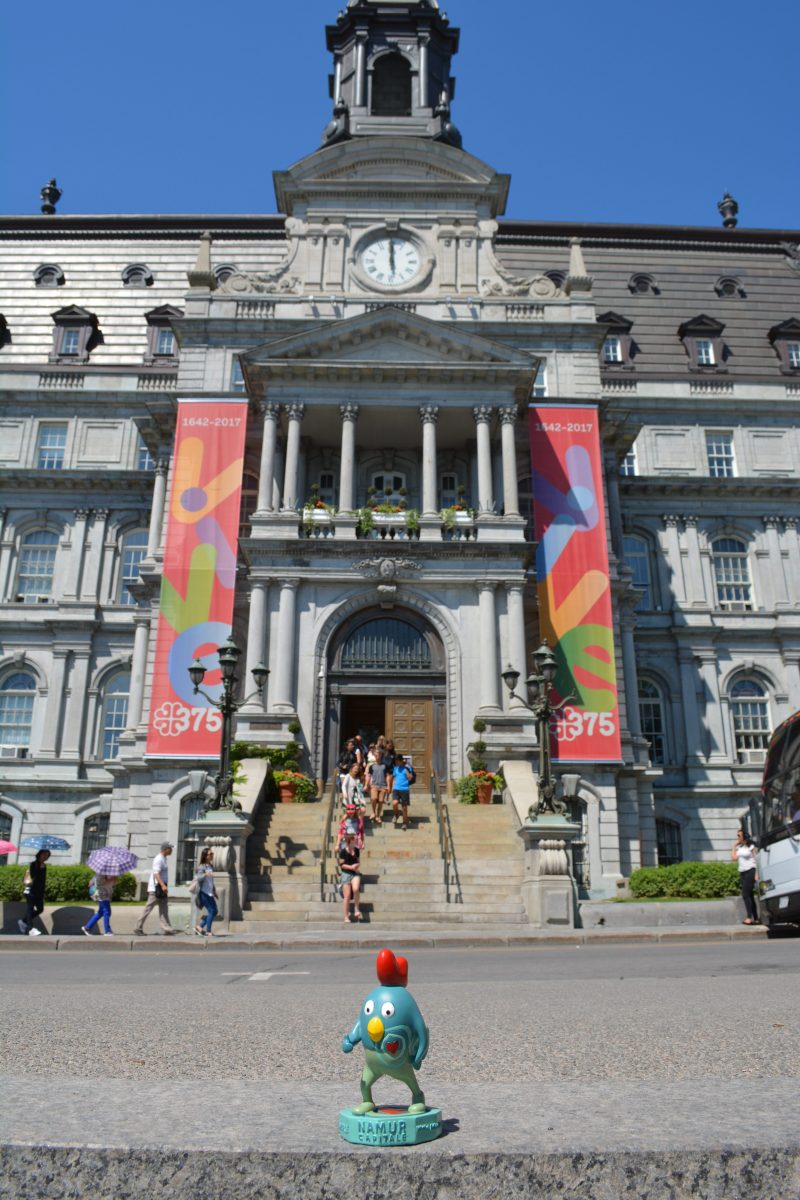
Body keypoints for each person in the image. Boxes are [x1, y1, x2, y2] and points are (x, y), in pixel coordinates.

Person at [134, 842, 175, 936]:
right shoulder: (158, 859)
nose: (172, 850)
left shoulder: (164, 858)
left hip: (161, 888)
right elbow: (156, 874)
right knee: (148, 908)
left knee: (164, 908)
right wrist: (163, 885)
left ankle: (167, 927)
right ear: (165, 849)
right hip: (156, 889)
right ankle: (137, 927)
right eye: (170, 848)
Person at [18, 849, 50, 936]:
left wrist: (43, 892)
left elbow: (42, 881)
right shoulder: (33, 864)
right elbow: (32, 876)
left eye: (47, 855)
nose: (45, 856)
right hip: (31, 891)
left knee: (40, 909)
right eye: (43, 854)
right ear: (39, 855)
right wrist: (39, 868)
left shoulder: (44, 866)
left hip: (39, 892)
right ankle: (30, 929)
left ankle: (23, 921)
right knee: (30, 909)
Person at [731, 829, 759, 925]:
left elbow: (756, 860)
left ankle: (749, 917)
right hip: (743, 873)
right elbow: (734, 858)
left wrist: (757, 874)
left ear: (744, 837)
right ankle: (755, 918)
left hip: (751, 871)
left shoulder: (751, 847)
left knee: (745, 895)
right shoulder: (741, 848)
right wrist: (734, 847)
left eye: (739, 835)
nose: (737, 837)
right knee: (750, 895)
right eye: (737, 835)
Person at [338, 831, 363, 923]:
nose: (357, 840)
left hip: (355, 873)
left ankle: (356, 909)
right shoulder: (343, 852)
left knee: (356, 889)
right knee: (347, 896)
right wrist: (351, 867)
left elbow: (358, 861)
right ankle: (346, 916)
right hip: (346, 874)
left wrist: (356, 866)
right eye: (356, 839)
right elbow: (341, 865)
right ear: (351, 840)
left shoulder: (356, 850)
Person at [194, 847, 218, 936]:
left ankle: (199, 927)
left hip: (210, 893)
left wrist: (214, 891)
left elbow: (211, 881)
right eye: (210, 854)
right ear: (205, 856)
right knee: (211, 911)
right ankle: (208, 931)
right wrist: (205, 874)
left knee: (215, 911)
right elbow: (198, 877)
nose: (212, 855)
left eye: (212, 854)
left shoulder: (211, 866)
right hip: (203, 893)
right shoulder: (201, 866)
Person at [391, 754, 415, 830]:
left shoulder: (407, 768)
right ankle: (396, 814)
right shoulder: (395, 768)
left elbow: (410, 778)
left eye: (397, 761)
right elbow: (394, 778)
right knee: (394, 803)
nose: (396, 762)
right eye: (396, 761)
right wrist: (392, 786)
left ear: (401, 761)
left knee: (404, 807)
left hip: (404, 789)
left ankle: (404, 823)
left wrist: (406, 770)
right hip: (396, 789)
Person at [366, 748, 389, 824]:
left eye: (379, 754)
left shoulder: (385, 766)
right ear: (374, 756)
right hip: (374, 785)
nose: (378, 755)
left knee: (381, 801)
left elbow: (387, 776)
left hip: (383, 786)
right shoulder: (371, 766)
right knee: (374, 798)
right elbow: (369, 776)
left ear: (381, 755)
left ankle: (378, 816)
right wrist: (366, 785)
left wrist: (388, 786)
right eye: (376, 754)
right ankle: (373, 812)